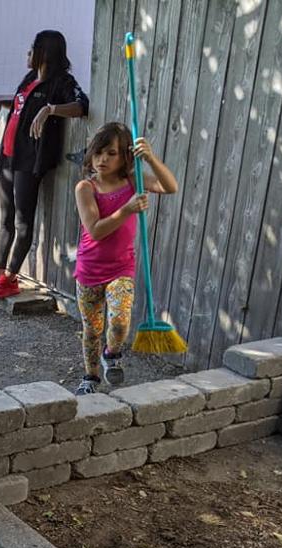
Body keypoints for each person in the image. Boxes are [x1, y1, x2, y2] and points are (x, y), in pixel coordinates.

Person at [0, 30, 89, 298]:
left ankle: (12, 278)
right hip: (9, 156)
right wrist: (2, 103)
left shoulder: (62, 82)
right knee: (6, 218)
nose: (27, 54)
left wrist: (51, 109)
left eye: (32, 49)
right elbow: (22, 105)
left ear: (44, 52)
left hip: (30, 159)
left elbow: (82, 106)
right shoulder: (29, 78)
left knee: (23, 221)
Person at [72, 122, 178, 395]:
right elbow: (95, 231)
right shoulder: (86, 187)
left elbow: (170, 187)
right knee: (91, 330)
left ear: (125, 157)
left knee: (119, 322)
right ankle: (91, 377)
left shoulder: (134, 181)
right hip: (89, 270)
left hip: (121, 268)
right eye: (98, 153)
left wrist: (151, 159)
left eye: (111, 153)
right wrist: (127, 209)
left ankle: (112, 353)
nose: (102, 159)